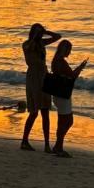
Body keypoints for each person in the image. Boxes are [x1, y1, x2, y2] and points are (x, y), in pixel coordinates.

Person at [20, 23, 61, 152]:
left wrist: (45, 31)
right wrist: (36, 36)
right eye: (37, 32)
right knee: (34, 112)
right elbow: (31, 46)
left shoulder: (42, 43)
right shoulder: (27, 44)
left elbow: (58, 36)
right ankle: (24, 140)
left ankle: (47, 144)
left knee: (45, 111)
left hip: (44, 75)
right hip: (33, 77)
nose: (39, 34)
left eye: (40, 32)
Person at [50, 39, 88, 158]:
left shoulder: (55, 61)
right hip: (63, 95)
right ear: (64, 49)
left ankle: (58, 146)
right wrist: (80, 67)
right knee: (67, 121)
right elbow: (72, 76)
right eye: (69, 50)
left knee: (62, 121)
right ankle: (58, 146)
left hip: (57, 93)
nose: (69, 53)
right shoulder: (61, 62)